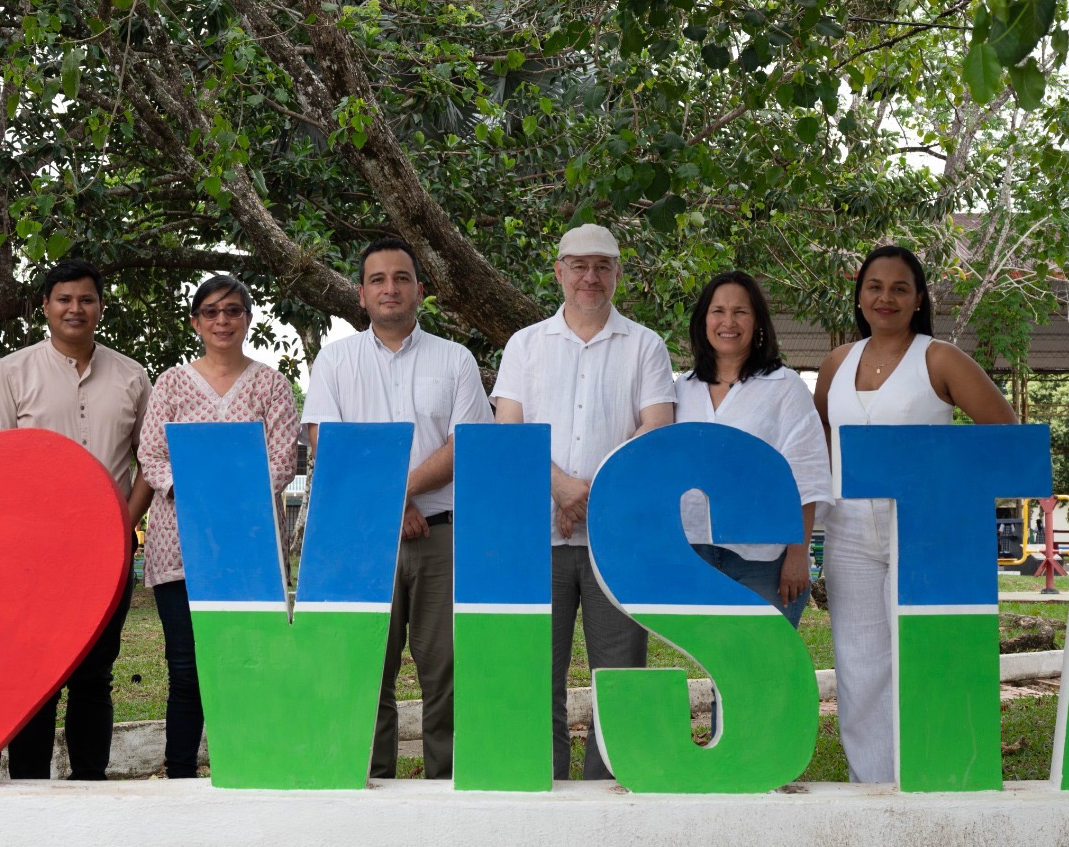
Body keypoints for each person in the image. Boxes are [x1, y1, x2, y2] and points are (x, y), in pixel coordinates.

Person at [813, 244, 1017, 784]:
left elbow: (1007, 436)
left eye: (900, 288)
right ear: (859, 296)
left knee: (926, 654)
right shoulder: (836, 362)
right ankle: (874, 788)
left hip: (923, 526)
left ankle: (934, 778)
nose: (886, 297)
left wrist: (958, 502)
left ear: (919, 298)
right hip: (849, 529)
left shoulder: (940, 358)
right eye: (875, 286)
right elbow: (821, 443)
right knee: (859, 665)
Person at [301, 237, 494, 780]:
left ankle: (448, 786)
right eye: (378, 279)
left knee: (446, 671)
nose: (391, 288)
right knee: (365, 668)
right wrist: (390, 504)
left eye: (402, 278)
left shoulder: (454, 359)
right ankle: (371, 784)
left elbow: (465, 446)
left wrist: (395, 494)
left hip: (439, 536)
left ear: (419, 291)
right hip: (361, 540)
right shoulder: (336, 360)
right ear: (361, 295)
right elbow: (324, 438)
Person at [492, 223, 676, 781]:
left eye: (601, 265)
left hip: (614, 539)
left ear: (619, 273)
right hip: (537, 536)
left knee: (617, 668)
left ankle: (606, 784)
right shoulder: (525, 344)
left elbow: (656, 429)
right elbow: (509, 429)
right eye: (578, 265)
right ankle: (545, 780)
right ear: (559, 272)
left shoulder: (646, 345)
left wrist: (589, 492)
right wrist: (560, 487)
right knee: (536, 670)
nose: (589, 276)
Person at [0, 259, 151, 780]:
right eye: (65, 299)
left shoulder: (131, 375)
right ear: (46, 306)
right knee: (35, 673)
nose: (76, 308)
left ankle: (90, 783)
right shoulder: (13, 371)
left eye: (87, 299)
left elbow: (151, 461)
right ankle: (30, 786)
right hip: (32, 554)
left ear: (100, 306)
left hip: (109, 549)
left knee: (95, 674)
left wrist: (125, 523)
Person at [130, 275, 299, 778]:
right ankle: (180, 771)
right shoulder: (172, 383)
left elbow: (282, 458)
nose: (222, 320)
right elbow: (152, 454)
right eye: (210, 312)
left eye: (232, 310)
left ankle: (246, 765)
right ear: (195, 322)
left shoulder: (270, 384)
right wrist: (198, 496)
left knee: (247, 660)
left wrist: (231, 502)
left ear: (248, 318)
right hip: (179, 544)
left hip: (248, 547)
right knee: (184, 665)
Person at [677, 270, 832, 627]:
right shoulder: (682, 389)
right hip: (693, 552)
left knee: (761, 672)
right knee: (717, 665)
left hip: (765, 559)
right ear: (703, 321)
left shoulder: (784, 387)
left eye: (740, 312)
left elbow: (805, 476)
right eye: (718, 311)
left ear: (758, 321)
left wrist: (797, 555)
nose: (728, 322)